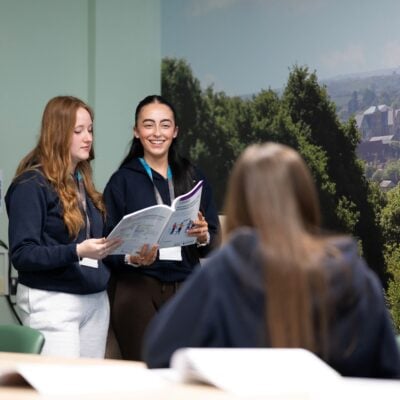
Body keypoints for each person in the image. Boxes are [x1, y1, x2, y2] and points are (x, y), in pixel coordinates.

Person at [142, 142, 400, 379]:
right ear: (306, 198)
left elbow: (158, 350)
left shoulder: (224, 271)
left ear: (238, 203)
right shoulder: (351, 271)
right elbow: (389, 371)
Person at [103, 94, 220, 361]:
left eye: (165, 125)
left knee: (187, 371)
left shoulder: (193, 177)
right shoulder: (122, 181)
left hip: (188, 287)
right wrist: (132, 258)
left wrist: (203, 236)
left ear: (175, 131)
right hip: (138, 289)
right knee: (147, 371)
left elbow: (213, 244)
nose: (157, 133)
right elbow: (106, 248)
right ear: (136, 131)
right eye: (148, 125)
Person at [5, 95, 121, 358]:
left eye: (90, 130)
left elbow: (96, 244)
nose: (88, 138)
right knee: (59, 388)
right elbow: (23, 254)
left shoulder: (83, 183)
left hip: (94, 300)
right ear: (57, 134)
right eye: (78, 131)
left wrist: (131, 254)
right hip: (53, 301)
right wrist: (77, 251)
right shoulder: (30, 185)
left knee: (88, 390)